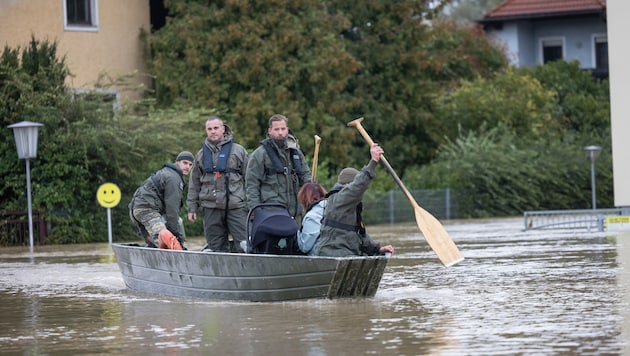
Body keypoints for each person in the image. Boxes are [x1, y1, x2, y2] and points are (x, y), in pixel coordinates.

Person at [313, 143, 395, 257]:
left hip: (347, 251)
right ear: (347, 185)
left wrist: (378, 249)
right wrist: (373, 162)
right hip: (334, 253)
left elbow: (359, 236)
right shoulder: (340, 199)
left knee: (370, 254)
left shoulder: (350, 205)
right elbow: (358, 185)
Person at [187, 116, 249, 252]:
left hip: (236, 206)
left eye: (216, 128)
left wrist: (252, 204)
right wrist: (192, 208)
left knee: (245, 244)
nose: (213, 131)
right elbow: (194, 183)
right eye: (209, 129)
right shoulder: (201, 155)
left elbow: (250, 180)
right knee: (215, 247)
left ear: (223, 129)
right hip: (210, 207)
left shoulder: (239, 151)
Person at [245, 114, 311, 219]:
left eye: (283, 129)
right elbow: (252, 185)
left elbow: (306, 177)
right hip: (271, 212)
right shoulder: (259, 155)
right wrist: (255, 211)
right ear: (269, 131)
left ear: (287, 130)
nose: (280, 132)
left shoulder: (296, 153)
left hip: (296, 213)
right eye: (276, 129)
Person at [129, 151, 194, 250]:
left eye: (190, 165)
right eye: (185, 163)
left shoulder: (167, 172)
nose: (187, 167)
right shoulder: (174, 178)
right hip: (147, 210)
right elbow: (172, 211)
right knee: (166, 241)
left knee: (155, 246)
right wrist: (177, 236)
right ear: (177, 162)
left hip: (136, 210)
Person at [296, 182, 327, 255]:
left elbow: (305, 246)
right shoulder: (331, 208)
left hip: (319, 259)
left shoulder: (312, 216)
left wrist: (297, 232)